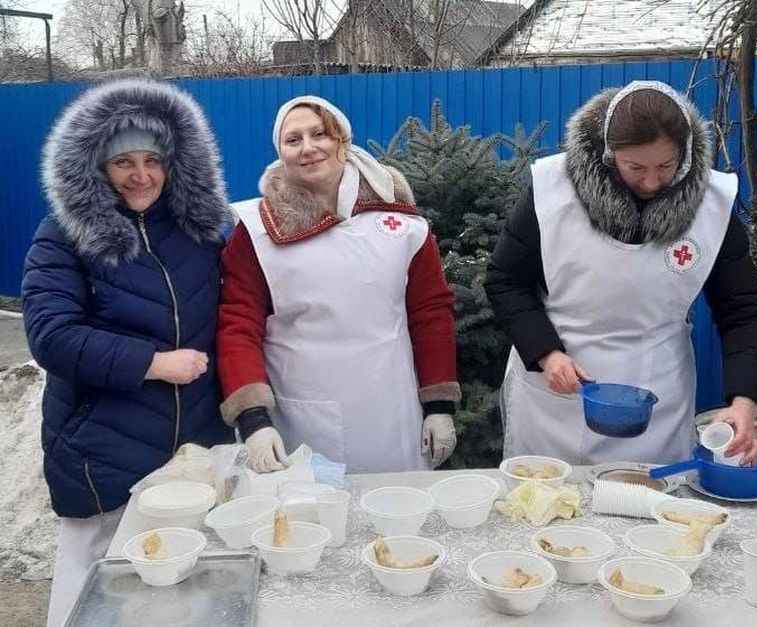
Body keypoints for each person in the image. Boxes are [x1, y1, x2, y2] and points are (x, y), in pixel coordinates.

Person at [22, 79, 234, 626]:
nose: (141, 175)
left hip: (194, 442)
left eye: (152, 160)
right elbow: (51, 336)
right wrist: (154, 364)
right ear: (96, 166)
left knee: (181, 580)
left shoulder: (200, 231)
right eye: (123, 163)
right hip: (102, 445)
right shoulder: (64, 235)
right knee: (94, 582)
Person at [485, 80, 757, 466]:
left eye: (667, 166)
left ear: (685, 155)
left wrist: (744, 401)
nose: (652, 182)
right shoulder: (553, 192)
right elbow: (505, 280)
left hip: (657, 399)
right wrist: (547, 354)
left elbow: (743, 310)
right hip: (555, 395)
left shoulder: (712, 205)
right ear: (607, 153)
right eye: (635, 167)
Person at [217, 95, 460, 473]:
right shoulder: (257, 231)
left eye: (320, 134)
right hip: (301, 418)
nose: (308, 148)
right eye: (293, 139)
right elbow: (237, 326)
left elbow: (431, 313)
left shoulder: (401, 224)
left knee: (393, 517)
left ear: (342, 141)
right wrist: (252, 419)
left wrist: (439, 404)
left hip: (391, 412)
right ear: (280, 152)